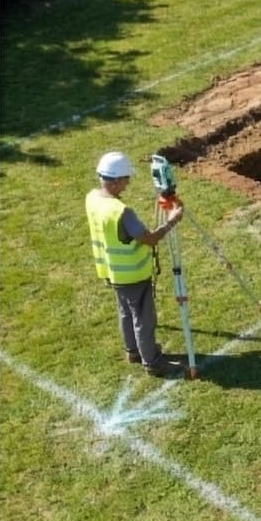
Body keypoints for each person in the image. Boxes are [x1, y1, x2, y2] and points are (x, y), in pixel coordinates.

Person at [86, 152, 183, 374]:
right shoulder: (121, 212)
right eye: (127, 179)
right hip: (133, 274)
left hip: (112, 271)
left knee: (125, 312)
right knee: (143, 318)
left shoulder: (92, 198)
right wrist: (171, 221)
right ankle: (152, 362)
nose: (128, 183)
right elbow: (149, 239)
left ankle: (133, 351)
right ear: (117, 180)